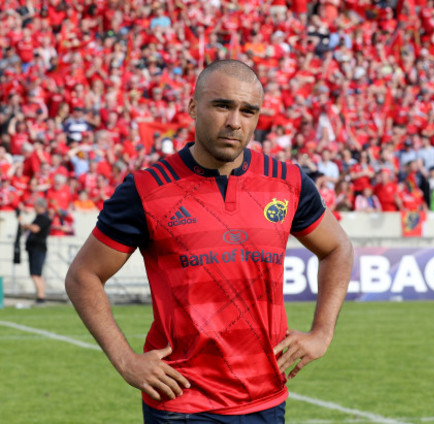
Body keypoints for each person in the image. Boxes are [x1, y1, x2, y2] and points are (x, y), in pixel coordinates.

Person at [65, 60, 353, 423]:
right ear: (192, 107)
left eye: (248, 111)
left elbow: (338, 248)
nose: (235, 121)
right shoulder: (146, 189)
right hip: (182, 402)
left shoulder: (288, 182)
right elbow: (83, 276)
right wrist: (125, 361)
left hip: (267, 400)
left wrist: (322, 334)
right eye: (222, 106)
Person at [20, 197, 52, 303]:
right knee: (37, 274)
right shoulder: (39, 217)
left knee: (35, 274)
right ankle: (40, 296)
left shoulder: (44, 218)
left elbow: (35, 228)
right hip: (34, 248)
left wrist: (25, 224)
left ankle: (41, 297)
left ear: (40, 206)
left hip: (38, 248)